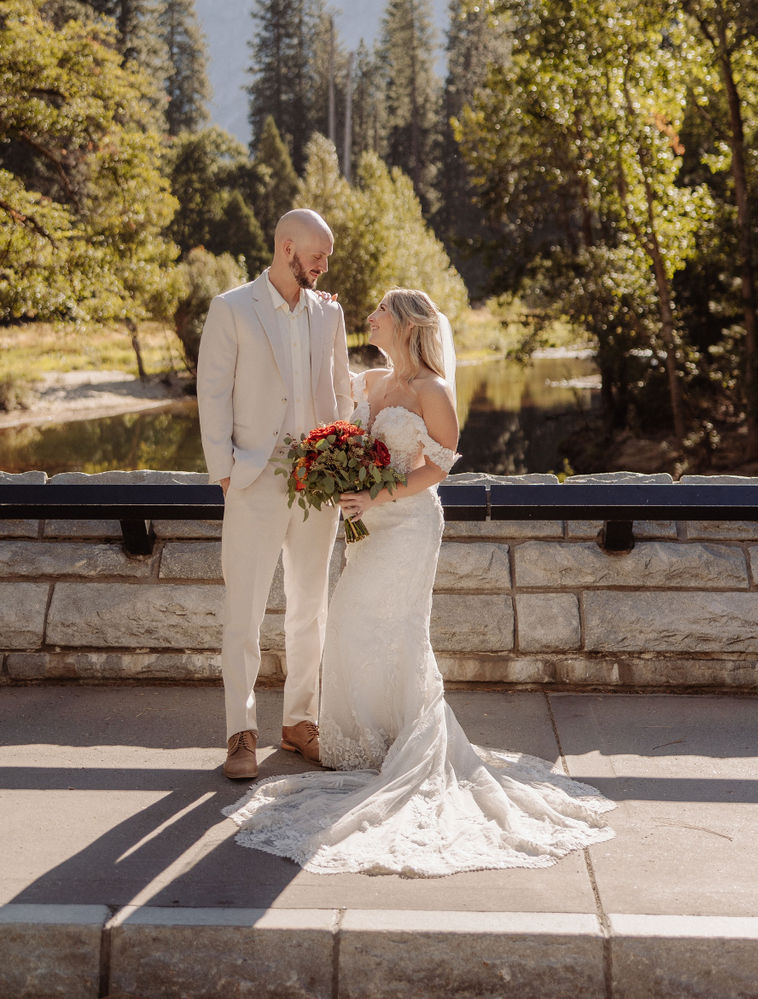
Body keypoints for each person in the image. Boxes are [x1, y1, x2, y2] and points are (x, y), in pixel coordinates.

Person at [223, 288, 615, 874]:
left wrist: (377, 491)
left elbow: (440, 465)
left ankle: (395, 738)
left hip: (407, 526)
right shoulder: (370, 384)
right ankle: (356, 737)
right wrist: (323, 315)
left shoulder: (434, 390)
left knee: (389, 628)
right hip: (366, 524)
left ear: (405, 324)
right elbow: (325, 390)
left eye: (379, 310)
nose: (371, 316)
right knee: (352, 625)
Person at [197, 208, 353, 782]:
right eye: (318, 254)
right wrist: (227, 473)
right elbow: (211, 393)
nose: (325, 263)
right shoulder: (231, 307)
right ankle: (240, 733)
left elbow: (340, 390)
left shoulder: (328, 314)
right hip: (254, 481)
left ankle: (299, 722)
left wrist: (346, 459)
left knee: (311, 607)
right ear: (286, 247)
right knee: (245, 612)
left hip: (318, 486)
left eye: (327, 256)